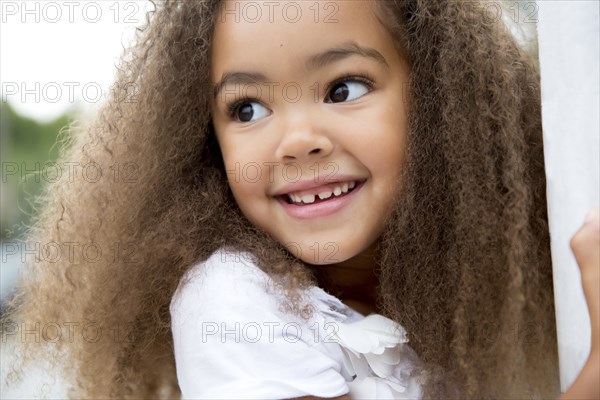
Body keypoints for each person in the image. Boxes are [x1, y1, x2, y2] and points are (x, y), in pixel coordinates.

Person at [1, 1, 598, 399]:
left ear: (443, 100)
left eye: (343, 88)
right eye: (247, 108)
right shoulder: (232, 299)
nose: (296, 143)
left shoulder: (446, 299)